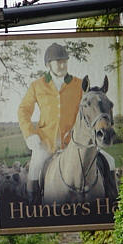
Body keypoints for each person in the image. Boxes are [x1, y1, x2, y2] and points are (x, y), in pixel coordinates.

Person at [18, 43, 83, 204]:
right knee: (35, 169)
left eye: (64, 61)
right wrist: (29, 134)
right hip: (45, 142)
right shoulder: (37, 86)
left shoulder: (79, 85)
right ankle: (34, 208)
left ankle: (113, 199)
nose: (62, 65)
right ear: (48, 65)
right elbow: (23, 110)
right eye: (58, 62)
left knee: (106, 160)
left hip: (73, 142)